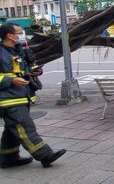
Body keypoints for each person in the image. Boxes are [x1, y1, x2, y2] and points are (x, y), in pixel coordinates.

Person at [0, 23, 66, 168]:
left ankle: (8, 158)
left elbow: (25, 68)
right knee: (24, 126)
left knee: (13, 129)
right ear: (9, 35)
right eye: (19, 32)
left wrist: (35, 70)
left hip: (21, 95)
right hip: (8, 99)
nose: (22, 34)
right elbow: (9, 75)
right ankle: (45, 155)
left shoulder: (17, 50)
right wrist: (11, 80)